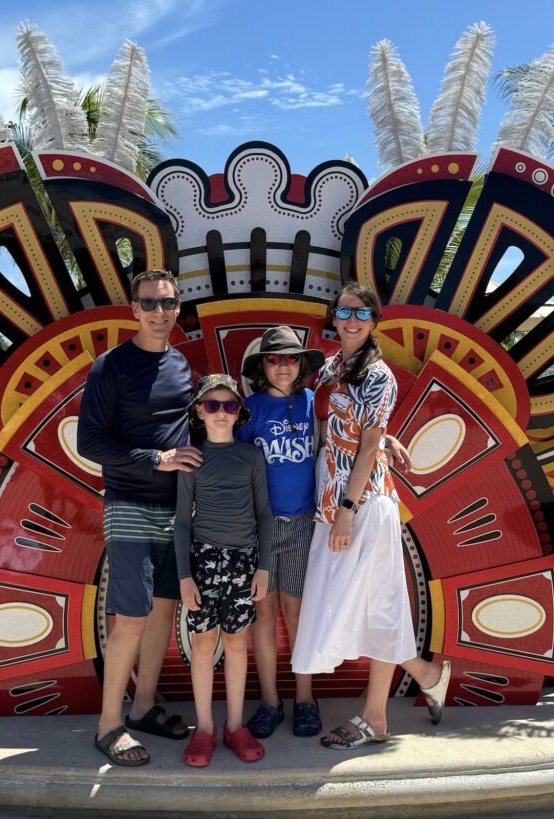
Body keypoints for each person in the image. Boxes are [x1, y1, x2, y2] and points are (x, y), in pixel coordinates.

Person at [292, 282, 451, 749]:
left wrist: (346, 510)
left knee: (381, 606)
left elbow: (362, 448)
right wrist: (384, 439)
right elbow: (334, 427)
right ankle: (425, 673)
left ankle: (376, 717)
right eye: (345, 312)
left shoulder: (380, 375)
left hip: (361, 504)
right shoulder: (327, 368)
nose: (352, 320)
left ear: (374, 321)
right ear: (334, 318)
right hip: (330, 507)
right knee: (349, 604)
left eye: (362, 313)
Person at [77, 269, 202, 767]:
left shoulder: (180, 366)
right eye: (149, 303)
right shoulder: (110, 367)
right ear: (133, 308)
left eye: (167, 304)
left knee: (163, 610)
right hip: (129, 503)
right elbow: (90, 443)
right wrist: (158, 459)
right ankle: (109, 724)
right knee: (130, 614)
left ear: (177, 309)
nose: (159, 312)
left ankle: (145, 705)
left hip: (177, 510)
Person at [176, 374, 273, 766]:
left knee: (236, 642)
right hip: (203, 561)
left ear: (239, 413)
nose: (220, 412)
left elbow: (265, 514)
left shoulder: (251, 457)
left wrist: (264, 565)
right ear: (200, 410)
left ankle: (235, 726)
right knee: (203, 643)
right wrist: (184, 575)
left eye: (229, 405)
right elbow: (182, 522)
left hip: (243, 562)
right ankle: (203, 728)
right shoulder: (191, 459)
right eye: (212, 405)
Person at [236, 326, 325, 739]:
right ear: (263, 366)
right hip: (261, 529)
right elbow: (230, 462)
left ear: (301, 364)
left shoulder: (312, 403)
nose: (283, 366)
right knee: (264, 614)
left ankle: (305, 699)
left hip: (303, 523)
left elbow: (344, 438)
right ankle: (270, 701)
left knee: (297, 614)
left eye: (291, 358)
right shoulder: (248, 411)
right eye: (274, 359)